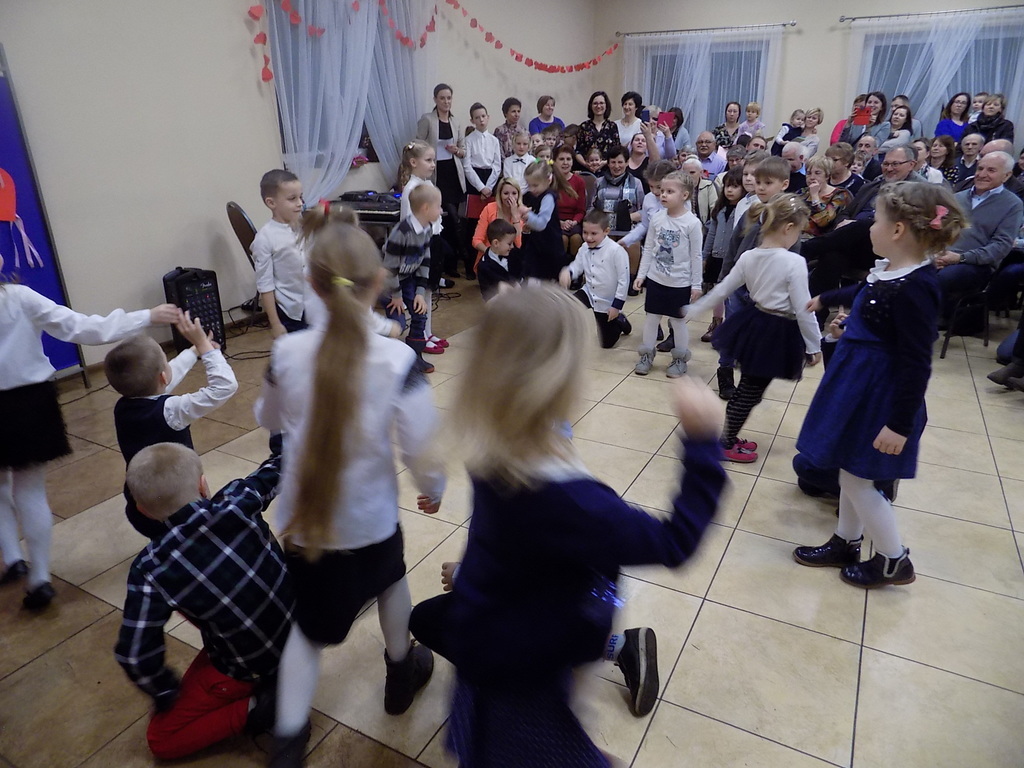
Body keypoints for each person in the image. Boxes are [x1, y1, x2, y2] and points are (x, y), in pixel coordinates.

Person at [436, 284, 727, 767]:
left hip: (489, 634)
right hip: (531, 668)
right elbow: (674, 542)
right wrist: (702, 444)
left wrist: (512, 325)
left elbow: (508, 538)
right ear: (559, 384)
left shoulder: (493, 439)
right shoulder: (575, 504)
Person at [258, 218, 446, 766]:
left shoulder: (286, 353)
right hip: (372, 519)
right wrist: (432, 487)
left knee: (308, 630)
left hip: (305, 522)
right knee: (390, 579)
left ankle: (287, 740)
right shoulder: (399, 360)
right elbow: (421, 444)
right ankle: (400, 673)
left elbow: (267, 418)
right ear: (378, 283)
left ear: (311, 284)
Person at [793, 182, 966, 588]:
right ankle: (846, 541)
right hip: (858, 388)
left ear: (898, 230)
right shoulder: (891, 272)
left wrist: (899, 424)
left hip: (880, 398)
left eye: (876, 220)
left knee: (859, 479)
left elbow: (916, 362)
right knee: (849, 470)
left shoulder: (918, 286)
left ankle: (893, 558)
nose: (868, 227)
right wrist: (828, 298)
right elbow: (866, 291)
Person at [0, 267, 178, 608]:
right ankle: (39, 578)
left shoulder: (20, 298)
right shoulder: (19, 298)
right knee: (30, 490)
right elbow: (82, 328)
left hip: (16, 406)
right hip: (29, 403)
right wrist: (146, 316)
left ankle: (12, 559)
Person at [113, 443, 293, 760]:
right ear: (203, 484)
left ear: (142, 511)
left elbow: (136, 654)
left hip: (247, 667)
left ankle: (260, 708)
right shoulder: (238, 500)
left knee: (161, 739)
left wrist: (164, 690)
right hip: (299, 633)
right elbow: (282, 464)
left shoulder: (151, 568)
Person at [687, 194, 821, 463]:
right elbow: (803, 309)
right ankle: (725, 443)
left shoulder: (749, 256)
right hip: (776, 331)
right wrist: (814, 345)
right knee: (750, 392)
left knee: (749, 387)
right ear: (789, 228)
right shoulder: (793, 262)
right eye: (799, 231)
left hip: (754, 323)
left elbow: (722, 290)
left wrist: (692, 309)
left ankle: (728, 436)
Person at [105, 313, 238, 540]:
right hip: (179, 502)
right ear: (163, 377)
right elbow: (224, 387)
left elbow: (160, 381)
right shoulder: (170, 410)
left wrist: (194, 350)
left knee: (164, 543)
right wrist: (206, 348)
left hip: (142, 503)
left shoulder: (123, 406)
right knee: (190, 543)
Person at [803, 145, 921, 326]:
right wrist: (843, 221)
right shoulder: (871, 186)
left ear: (911, 164)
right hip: (856, 244)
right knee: (832, 256)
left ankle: (805, 250)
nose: (889, 168)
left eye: (895, 164)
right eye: (886, 164)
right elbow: (846, 212)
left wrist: (859, 224)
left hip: (888, 249)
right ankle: (814, 319)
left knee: (865, 224)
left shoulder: (919, 191)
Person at [712, 156, 792, 402]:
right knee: (734, 327)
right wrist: (724, 278)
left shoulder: (790, 217)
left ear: (784, 184)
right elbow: (733, 246)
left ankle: (749, 380)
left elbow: (795, 253)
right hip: (740, 285)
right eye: (758, 182)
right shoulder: (751, 212)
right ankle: (725, 371)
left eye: (767, 182)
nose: (760, 187)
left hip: (768, 290)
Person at [932, 151, 1024, 325]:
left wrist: (960, 258)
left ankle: (931, 320)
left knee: (943, 277)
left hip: (977, 265)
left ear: (1006, 176)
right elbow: (939, 232)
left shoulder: (1013, 205)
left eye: (991, 170)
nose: (982, 174)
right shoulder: (958, 197)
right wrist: (936, 254)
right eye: (980, 168)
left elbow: (1001, 246)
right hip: (944, 256)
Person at [633, 171, 703, 377]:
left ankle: (680, 358)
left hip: (680, 282)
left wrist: (696, 284)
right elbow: (648, 249)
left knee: (677, 321)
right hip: (656, 279)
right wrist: (641, 275)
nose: (663, 195)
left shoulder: (692, 223)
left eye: (669, 191)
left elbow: (696, 255)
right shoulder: (657, 218)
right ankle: (646, 354)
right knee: (651, 318)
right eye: (662, 191)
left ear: (685, 195)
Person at [383, 184, 443, 374]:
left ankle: (414, 358)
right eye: (438, 206)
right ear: (426, 208)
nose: (441, 210)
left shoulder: (427, 228)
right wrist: (396, 296)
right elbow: (389, 268)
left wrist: (420, 292)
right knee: (398, 324)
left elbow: (425, 260)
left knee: (420, 314)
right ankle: (383, 356)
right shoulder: (402, 232)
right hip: (387, 282)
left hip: (407, 278)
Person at [398, 140, 449, 353]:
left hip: (433, 241)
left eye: (433, 160)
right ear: (413, 162)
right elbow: (408, 223)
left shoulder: (428, 186)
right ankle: (420, 335)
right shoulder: (411, 189)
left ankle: (428, 332)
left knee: (429, 290)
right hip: (420, 245)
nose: (433, 165)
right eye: (428, 160)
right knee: (421, 291)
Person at [416, 83, 469, 279]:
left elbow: (464, 151)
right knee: (445, 219)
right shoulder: (427, 120)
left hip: (453, 174)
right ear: (435, 100)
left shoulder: (456, 121)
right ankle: (447, 262)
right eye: (442, 98)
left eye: (449, 98)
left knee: (454, 220)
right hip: (436, 175)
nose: (446, 102)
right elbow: (417, 145)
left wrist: (457, 150)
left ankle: (452, 264)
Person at [559, 209, 632, 348]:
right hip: (589, 291)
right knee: (569, 306)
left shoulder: (616, 251)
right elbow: (577, 265)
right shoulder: (584, 248)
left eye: (593, 234)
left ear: (606, 231)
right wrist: (568, 272)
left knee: (606, 343)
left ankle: (620, 320)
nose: (588, 238)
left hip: (607, 300)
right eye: (585, 232)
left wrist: (616, 306)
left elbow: (624, 281)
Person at [253, 169, 307, 337]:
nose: (300, 203)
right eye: (292, 199)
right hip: (291, 311)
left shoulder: (304, 226)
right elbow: (265, 285)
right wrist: (275, 324)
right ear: (271, 203)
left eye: (301, 197)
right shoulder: (265, 238)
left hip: (314, 304)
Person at [700, 168, 745, 342]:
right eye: (727, 186)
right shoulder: (719, 209)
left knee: (731, 294)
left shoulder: (743, 210)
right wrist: (705, 256)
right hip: (716, 256)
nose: (730, 190)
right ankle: (716, 323)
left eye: (735, 186)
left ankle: (731, 326)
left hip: (732, 258)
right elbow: (711, 234)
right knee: (717, 292)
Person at [619, 160, 678, 293]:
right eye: (651, 186)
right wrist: (627, 240)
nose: (655, 191)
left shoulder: (680, 200)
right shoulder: (649, 199)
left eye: (659, 187)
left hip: (675, 255)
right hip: (654, 253)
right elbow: (645, 225)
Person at [519, 158, 575, 281]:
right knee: (532, 276)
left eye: (535, 185)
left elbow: (541, 223)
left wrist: (527, 215)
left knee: (549, 280)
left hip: (550, 246)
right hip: (536, 244)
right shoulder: (533, 195)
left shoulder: (548, 197)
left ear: (548, 180)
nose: (531, 189)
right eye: (529, 185)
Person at [472, 176, 524, 264]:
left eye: (514, 193)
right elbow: (476, 240)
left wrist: (515, 218)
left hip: (512, 260)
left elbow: (519, 245)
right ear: (500, 195)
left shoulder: (523, 213)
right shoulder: (489, 209)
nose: (510, 197)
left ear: (519, 195)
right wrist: (491, 254)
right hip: (489, 257)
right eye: (506, 193)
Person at [594, 145, 645, 233]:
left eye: (620, 162)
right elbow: (591, 208)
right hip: (602, 229)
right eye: (613, 162)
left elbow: (643, 211)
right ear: (608, 163)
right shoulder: (598, 182)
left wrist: (624, 218)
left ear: (627, 162)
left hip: (629, 229)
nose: (616, 166)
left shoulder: (636, 183)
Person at [803, 155, 854, 237]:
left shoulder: (840, 195)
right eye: (808, 173)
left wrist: (815, 196)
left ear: (827, 175)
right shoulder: (802, 192)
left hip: (820, 238)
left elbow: (823, 221)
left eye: (817, 173)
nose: (812, 177)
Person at [476, 219, 522, 301]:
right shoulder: (484, 266)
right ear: (496, 243)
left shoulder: (514, 254)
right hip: (499, 303)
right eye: (509, 244)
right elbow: (486, 296)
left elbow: (520, 272)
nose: (512, 246)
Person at [555, 144, 588, 257]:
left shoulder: (579, 182)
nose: (565, 163)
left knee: (576, 239)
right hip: (555, 221)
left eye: (568, 159)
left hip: (574, 222)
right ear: (555, 161)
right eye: (561, 159)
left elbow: (581, 210)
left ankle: (575, 267)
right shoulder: (551, 181)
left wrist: (573, 222)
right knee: (562, 239)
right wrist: (560, 222)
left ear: (573, 161)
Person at [576, 91, 620, 170]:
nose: (598, 106)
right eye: (595, 103)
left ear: (606, 106)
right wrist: (586, 164)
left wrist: (604, 163)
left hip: (608, 170)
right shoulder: (584, 126)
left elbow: (617, 151)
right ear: (591, 106)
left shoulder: (612, 126)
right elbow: (578, 151)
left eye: (601, 103)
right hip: (587, 171)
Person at [680, 156, 720, 227]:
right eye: (685, 173)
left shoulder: (708, 186)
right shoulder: (678, 188)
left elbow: (714, 208)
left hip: (705, 227)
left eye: (692, 172)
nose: (688, 176)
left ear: (701, 172)